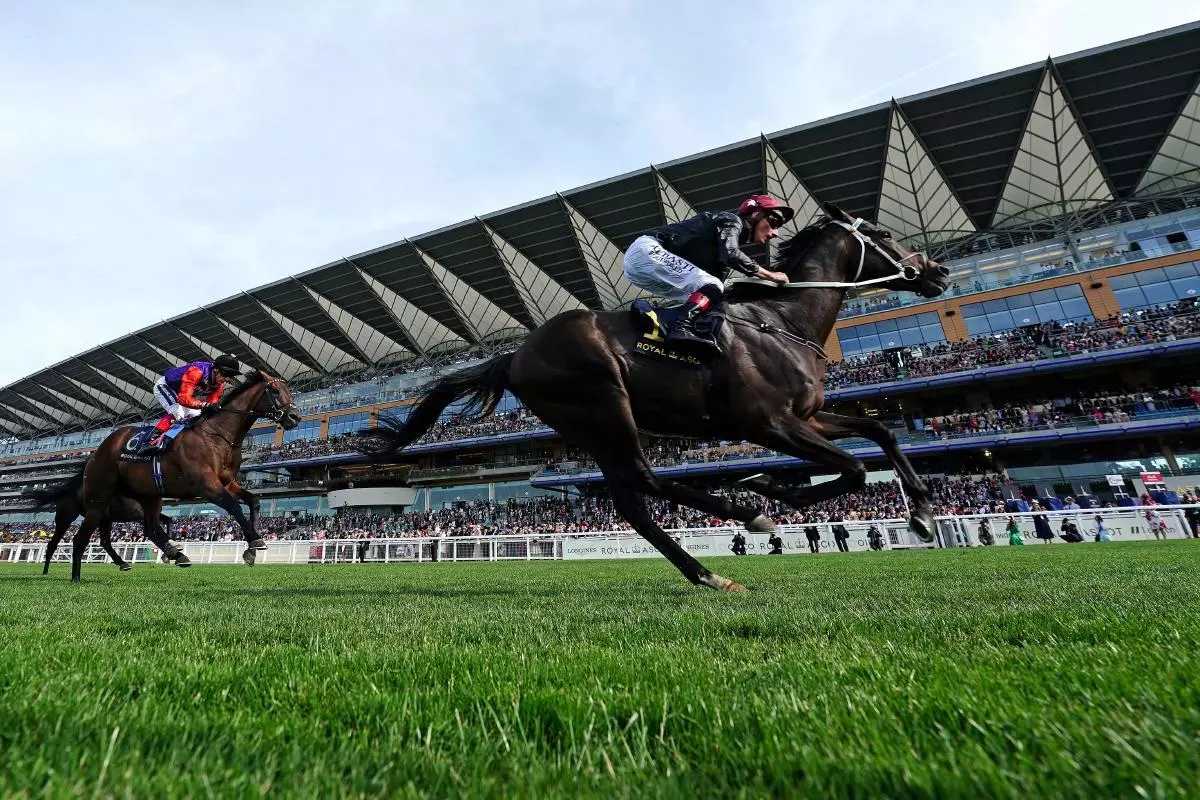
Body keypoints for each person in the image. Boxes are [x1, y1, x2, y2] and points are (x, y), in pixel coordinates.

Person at [622, 194, 794, 349]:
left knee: (712, 297)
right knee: (712, 286)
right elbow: (731, 253)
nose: (775, 233)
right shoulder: (732, 220)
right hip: (647, 250)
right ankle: (680, 328)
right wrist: (770, 275)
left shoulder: (723, 248)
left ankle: (651, 318)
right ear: (755, 213)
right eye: (774, 222)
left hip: (639, 269)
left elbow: (718, 285)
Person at [140, 354, 242, 453]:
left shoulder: (219, 386)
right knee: (178, 413)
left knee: (197, 416)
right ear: (216, 369)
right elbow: (183, 398)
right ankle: (149, 441)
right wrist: (204, 405)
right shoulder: (196, 371)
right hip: (166, 386)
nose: (227, 379)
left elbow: (211, 406)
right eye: (226, 374)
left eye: (231, 376)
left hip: (184, 393)